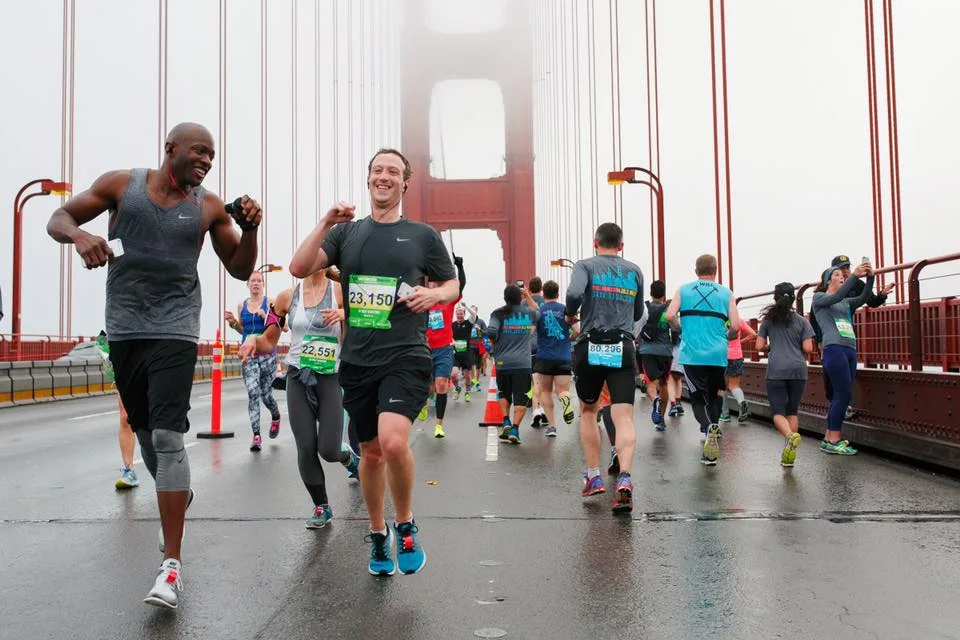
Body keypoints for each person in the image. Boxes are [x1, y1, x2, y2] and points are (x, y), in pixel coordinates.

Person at [47, 122, 262, 609]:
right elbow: (58, 217)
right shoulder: (121, 185)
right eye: (198, 152)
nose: (207, 161)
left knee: (167, 438)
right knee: (145, 435)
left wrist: (249, 230)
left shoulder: (208, 205)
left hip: (176, 328)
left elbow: (241, 268)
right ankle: (175, 495)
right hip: (124, 328)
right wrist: (80, 236)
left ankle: (171, 565)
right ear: (170, 150)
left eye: (212, 154)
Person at [288, 147, 458, 577]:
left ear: (405, 183)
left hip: (406, 354)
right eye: (377, 170)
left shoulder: (422, 235)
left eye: (393, 172)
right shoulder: (347, 235)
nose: (384, 177)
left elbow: (453, 283)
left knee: (393, 441)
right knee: (369, 454)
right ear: (368, 180)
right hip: (358, 359)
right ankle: (379, 535)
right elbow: (298, 266)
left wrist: (434, 294)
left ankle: (405, 524)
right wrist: (327, 221)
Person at [239, 266, 360, 528]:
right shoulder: (285, 298)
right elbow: (269, 341)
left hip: (329, 377)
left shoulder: (340, 292)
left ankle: (350, 459)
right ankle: (321, 506)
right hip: (297, 377)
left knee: (328, 449)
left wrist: (345, 314)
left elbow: (364, 325)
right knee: (305, 446)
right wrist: (252, 340)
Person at [565, 222, 646, 513]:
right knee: (623, 416)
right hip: (623, 346)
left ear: (594, 241)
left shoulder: (585, 266)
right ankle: (624, 479)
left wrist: (570, 312)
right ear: (621, 245)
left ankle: (593, 477)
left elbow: (574, 294)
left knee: (589, 410)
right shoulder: (634, 270)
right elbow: (638, 312)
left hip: (591, 345)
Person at [666, 254, 740, 466]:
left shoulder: (683, 289)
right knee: (716, 392)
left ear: (696, 270)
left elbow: (670, 316)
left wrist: (682, 329)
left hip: (692, 354)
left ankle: (708, 428)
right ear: (715, 269)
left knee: (698, 396)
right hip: (718, 354)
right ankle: (713, 430)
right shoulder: (726, 293)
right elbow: (735, 325)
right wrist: (726, 338)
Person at [810, 254, 894, 419]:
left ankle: (840, 409)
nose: (845, 272)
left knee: (847, 379)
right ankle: (834, 410)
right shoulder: (822, 295)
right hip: (830, 337)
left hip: (847, 334)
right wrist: (819, 339)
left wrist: (879, 290)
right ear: (831, 275)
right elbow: (820, 311)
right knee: (832, 376)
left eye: (847, 268)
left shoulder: (855, 284)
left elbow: (868, 300)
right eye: (840, 271)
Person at [811, 258, 875, 455]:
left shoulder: (846, 302)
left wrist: (871, 277)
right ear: (828, 280)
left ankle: (829, 438)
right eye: (836, 275)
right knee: (844, 394)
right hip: (834, 348)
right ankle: (835, 438)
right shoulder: (820, 298)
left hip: (849, 348)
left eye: (842, 275)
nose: (841, 277)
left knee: (843, 393)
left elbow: (864, 297)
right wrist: (854, 275)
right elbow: (835, 297)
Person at [755, 283, 815, 467]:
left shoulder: (768, 321)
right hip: (798, 369)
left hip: (776, 370)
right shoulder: (803, 321)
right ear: (793, 299)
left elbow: (758, 346)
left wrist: (771, 347)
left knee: (778, 413)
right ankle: (790, 455)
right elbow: (808, 348)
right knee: (792, 411)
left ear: (775, 298)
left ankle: (790, 436)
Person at [225, 271, 282, 451]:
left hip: (267, 354)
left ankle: (275, 415)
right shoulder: (242, 305)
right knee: (252, 393)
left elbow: (283, 327)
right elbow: (244, 331)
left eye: (259, 281)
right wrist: (233, 322)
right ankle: (256, 435)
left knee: (266, 395)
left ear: (263, 284)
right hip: (249, 356)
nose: (256, 283)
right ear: (248, 285)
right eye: (252, 281)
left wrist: (266, 317)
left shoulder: (271, 303)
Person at [418, 255, 466, 438]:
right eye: (429, 282)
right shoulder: (421, 302)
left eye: (435, 283)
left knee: (441, 385)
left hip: (444, 349)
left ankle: (439, 425)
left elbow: (460, 286)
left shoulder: (447, 301)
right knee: (426, 388)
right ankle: (422, 404)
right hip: (424, 349)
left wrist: (459, 267)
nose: (432, 285)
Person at [487, 284, 540, 444]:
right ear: (520, 297)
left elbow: (491, 332)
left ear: (505, 298)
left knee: (503, 392)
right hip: (523, 363)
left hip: (503, 362)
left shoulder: (497, 313)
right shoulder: (529, 313)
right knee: (521, 397)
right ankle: (515, 429)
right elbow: (539, 311)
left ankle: (506, 421)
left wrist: (495, 344)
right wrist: (528, 296)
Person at [531, 280, 576, 437]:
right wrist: (568, 339)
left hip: (544, 357)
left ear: (543, 293)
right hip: (563, 356)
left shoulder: (539, 311)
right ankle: (565, 400)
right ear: (558, 294)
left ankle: (552, 427)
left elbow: (530, 332)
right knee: (563, 390)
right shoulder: (565, 310)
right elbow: (578, 329)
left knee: (545, 391)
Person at [96, 331, 139, 489]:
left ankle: (168, 470)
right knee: (125, 417)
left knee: (157, 418)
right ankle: (129, 471)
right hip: (125, 350)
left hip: (154, 349)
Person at [637, 280, 673, 431]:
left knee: (650, 382)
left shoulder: (644, 308)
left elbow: (637, 328)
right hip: (665, 351)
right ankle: (661, 421)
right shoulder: (668, 310)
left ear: (651, 293)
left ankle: (654, 400)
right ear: (663, 294)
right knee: (664, 383)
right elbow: (677, 328)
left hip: (647, 350)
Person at [718, 321, 758, 425]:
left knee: (722, 386)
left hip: (721, 356)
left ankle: (725, 414)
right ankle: (742, 402)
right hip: (736, 355)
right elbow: (753, 334)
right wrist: (740, 342)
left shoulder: (720, 318)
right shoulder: (738, 319)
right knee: (734, 385)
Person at [451, 305, 477, 403]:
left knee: (467, 376)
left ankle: (467, 392)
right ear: (455, 314)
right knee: (453, 375)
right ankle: (457, 388)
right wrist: (452, 341)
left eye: (461, 314)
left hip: (466, 354)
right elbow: (449, 335)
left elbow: (474, 314)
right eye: (458, 314)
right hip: (456, 354)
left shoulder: (468, 323)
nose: (459, 315)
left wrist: (465, 306)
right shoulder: (452, 325)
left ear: (464, 314)